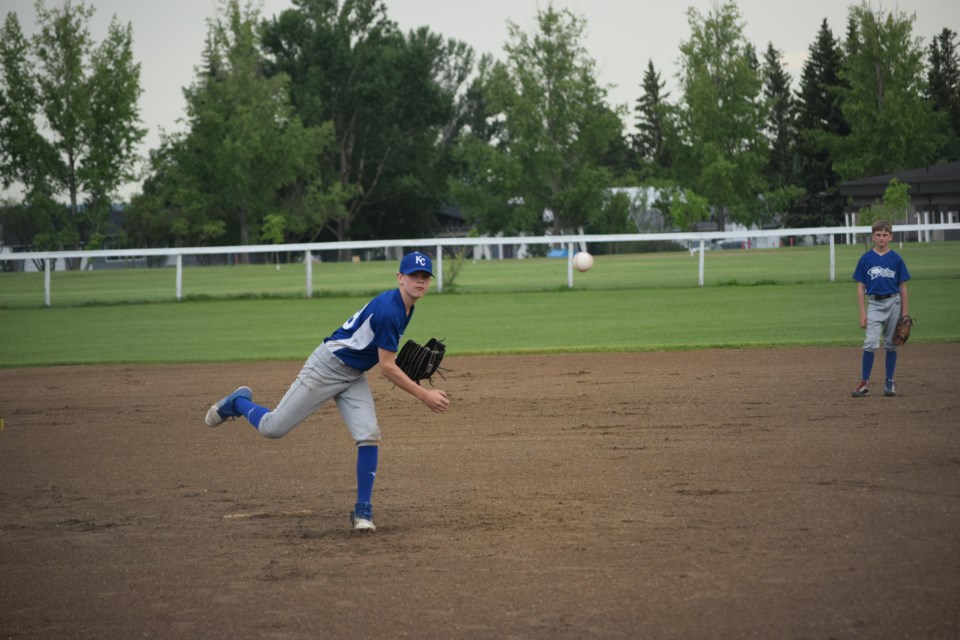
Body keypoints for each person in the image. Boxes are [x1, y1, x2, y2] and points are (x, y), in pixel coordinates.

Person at [203, 251, 450, 532]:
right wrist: (424, 394)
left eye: (425, 277)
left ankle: (363, 512)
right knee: (272, 428)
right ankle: (237, 403)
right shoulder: (390, 310)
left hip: (354, 375)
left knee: (368, 434)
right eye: (413, 276)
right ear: (399, 278)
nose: (420, 281)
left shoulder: (406, 307)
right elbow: (386, 367)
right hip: (326, 368)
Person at [851, 220, 910, 398]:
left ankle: (889, 383)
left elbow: (903, 286)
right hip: (874, 303)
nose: (882, 238)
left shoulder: (896, 259)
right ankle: (864, 383)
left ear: (891, 237)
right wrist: (862, 313)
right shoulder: (866, 258)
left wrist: (905, 313)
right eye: (878, 234)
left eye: (885, 235)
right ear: (873, 237)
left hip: (894, 302)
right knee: (870, 343)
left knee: (891, 344)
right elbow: (861, 286)